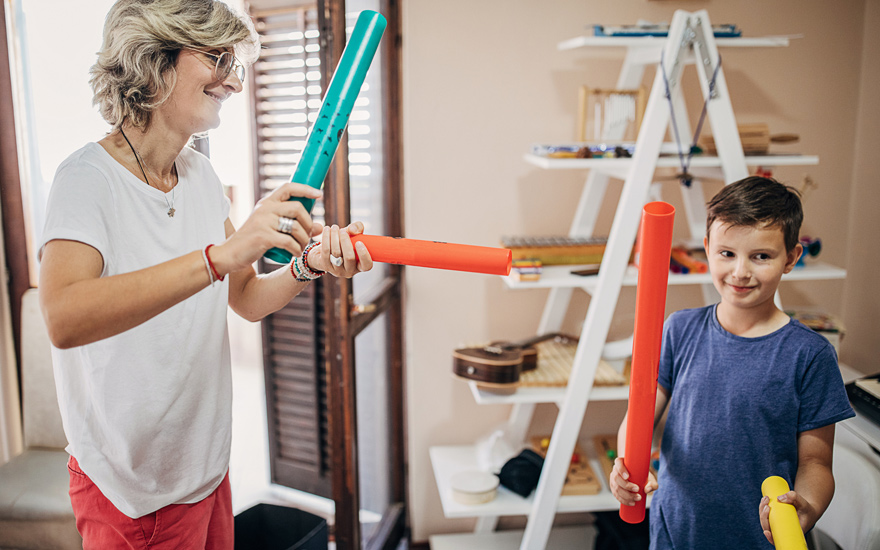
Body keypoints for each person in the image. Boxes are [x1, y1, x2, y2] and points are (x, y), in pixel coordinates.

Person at [38, 0, 373, 547]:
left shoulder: (200, 176)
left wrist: (308, 264)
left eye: (232, 63)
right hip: (132, 494)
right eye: (217, 59)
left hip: (205, 473)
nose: (234, 82)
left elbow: (246, 297)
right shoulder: (86, 179)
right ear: (153, 58)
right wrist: (220, 256)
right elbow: (64, 317)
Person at [609, 177, 854, 548]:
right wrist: (627, 466)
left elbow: (816, 462)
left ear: (790, 258)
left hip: (761, 537)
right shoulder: (679, 329)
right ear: (707, 248)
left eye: (761, 256)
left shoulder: (810, 354)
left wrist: (808, 506)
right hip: (677, 530)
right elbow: (639, 418)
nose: (740, 271)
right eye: (727, 253)